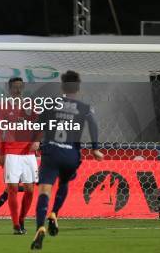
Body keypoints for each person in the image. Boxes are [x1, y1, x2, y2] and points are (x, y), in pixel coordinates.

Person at [30, 71, 103, 250]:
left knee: (44, 190)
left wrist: (35, 141)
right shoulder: (85, 108)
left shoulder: (51, 104)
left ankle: (40, 227)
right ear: (78, 89)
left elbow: (39, 124)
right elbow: (93, 125)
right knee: (64, 182)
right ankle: (54, 213)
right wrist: (95, 148)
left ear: (62, 87)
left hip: (52, 151)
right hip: (71, 154)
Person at [0, 77, 38, 234]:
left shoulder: (31, 105)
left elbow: (40, 126)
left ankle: (22, 218)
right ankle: (15, 225)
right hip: (11, 152)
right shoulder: (3, 106)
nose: (17, 90)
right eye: (14, 88)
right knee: (12, 188)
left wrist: (38, 141)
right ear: (9, 89)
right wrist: (0, 153)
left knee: (30, 190)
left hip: (28, 153)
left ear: (23, 88)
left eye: (20, 87)